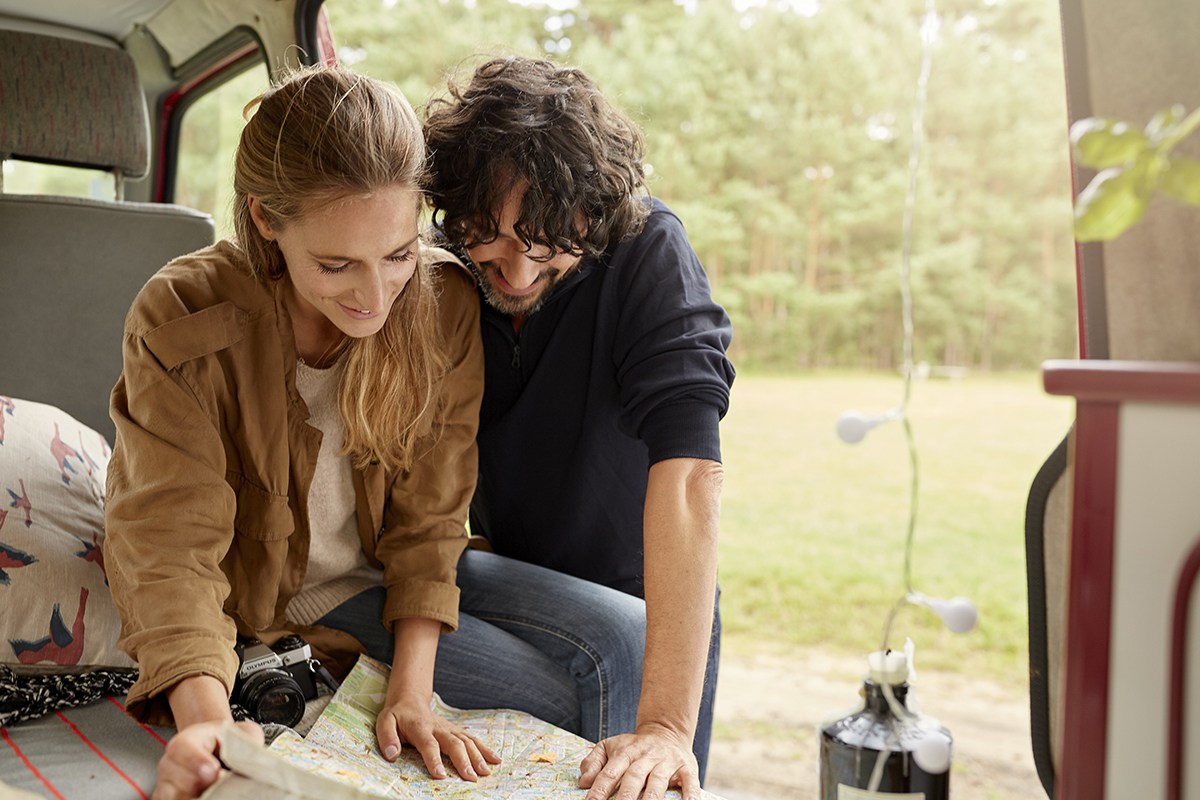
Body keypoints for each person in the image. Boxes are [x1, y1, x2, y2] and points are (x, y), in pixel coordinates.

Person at [103, 65, 498, 800]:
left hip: (388, 580)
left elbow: (432, 520)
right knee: (569, 679)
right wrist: (209, 729)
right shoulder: (179, 316)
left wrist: (411, 693)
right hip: (277, 604)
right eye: (336, 264)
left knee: (618, 633)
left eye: (400, 253)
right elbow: (168, 543)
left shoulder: (443, 305)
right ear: (263, 220)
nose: (376, 297)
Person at [422, 55, 736, 800]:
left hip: (648, 604)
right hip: (511, 582)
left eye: (548, 245)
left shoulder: (649, 251)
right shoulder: (438, 272)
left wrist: (663, 724)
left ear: (594, 216)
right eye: (488, 237)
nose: (519, 274)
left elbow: (691, 473)